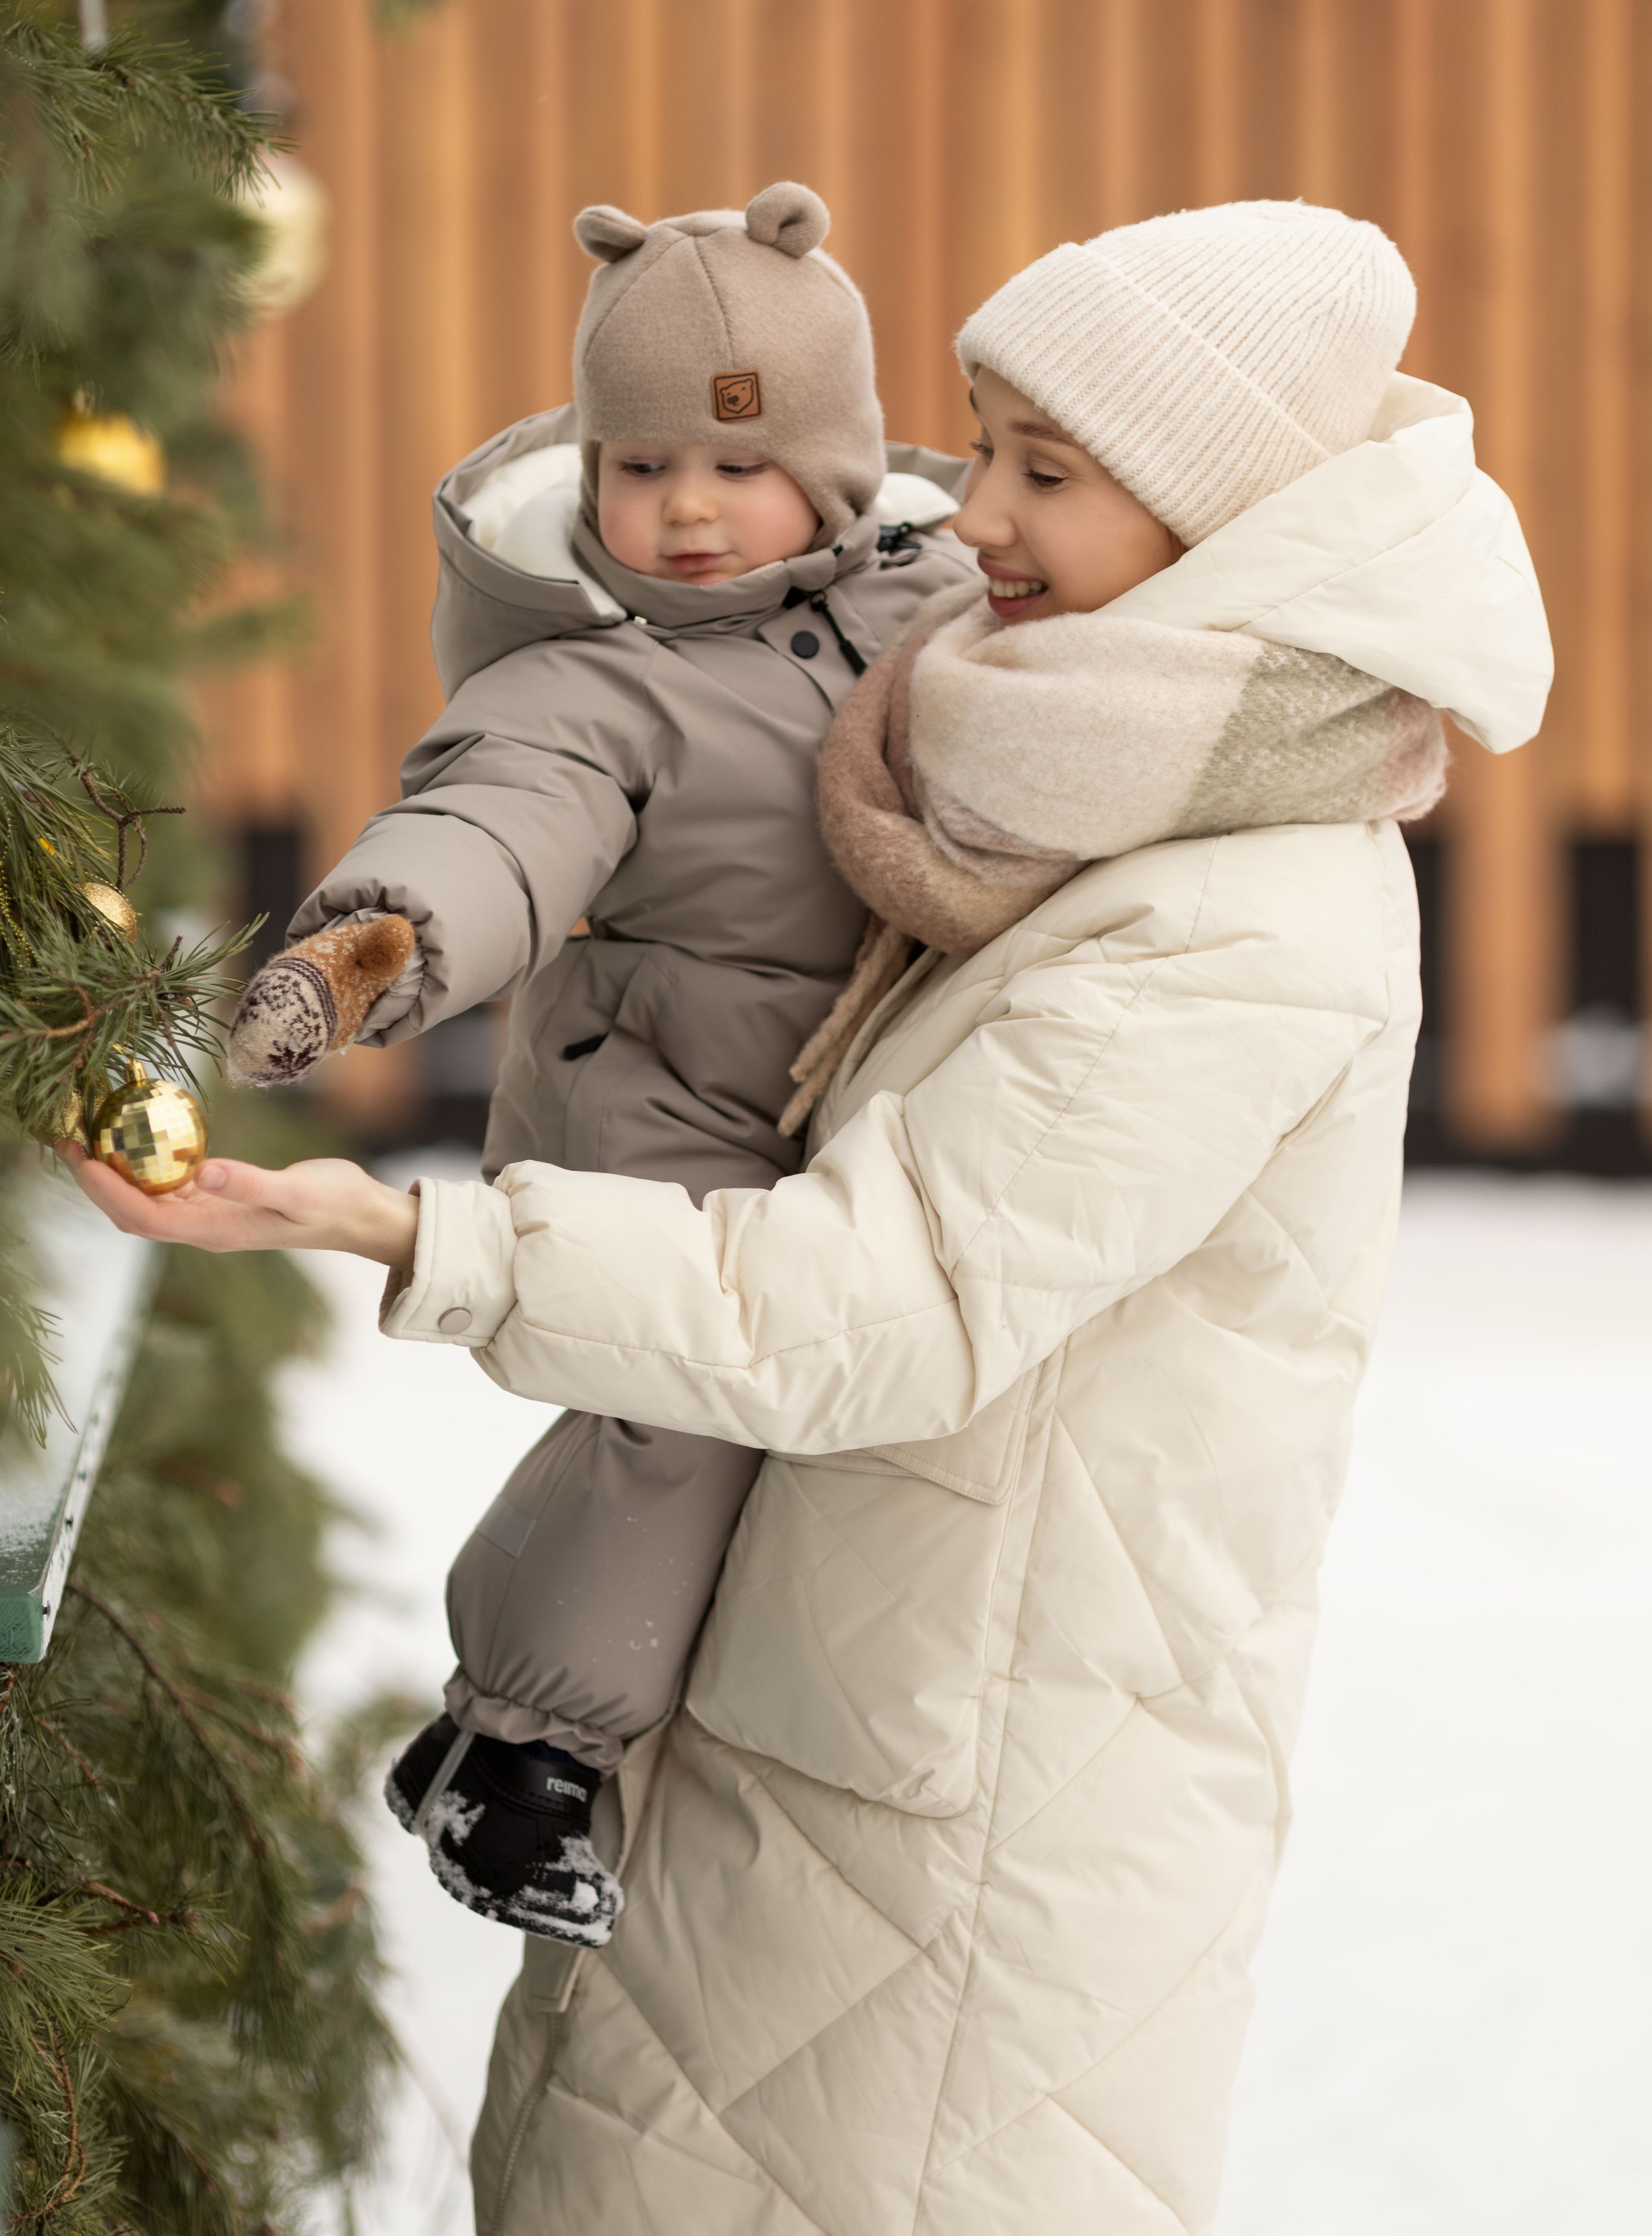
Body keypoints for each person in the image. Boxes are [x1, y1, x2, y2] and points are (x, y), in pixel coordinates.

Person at [72, 199, 1552, 2233]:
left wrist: (417, 1236)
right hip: (830, 1721)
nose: (980, 517)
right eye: (983, 445)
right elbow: (524, 804)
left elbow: (875, 1301)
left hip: (952, 1812)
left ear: (1222, 524)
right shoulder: (1046, 772)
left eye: (1046, 473)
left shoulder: (1238, 910)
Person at [220, 179, 974, 1944]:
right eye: (640, 468)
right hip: (673, 1099)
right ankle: (520, 1750)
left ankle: (475, 1743)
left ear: (845, 466)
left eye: (735, 461)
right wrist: (377, 948)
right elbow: (497, 824)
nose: (686, 509)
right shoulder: (593, 684)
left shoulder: (935, 597)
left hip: (848, 1089)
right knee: (678, 1411)